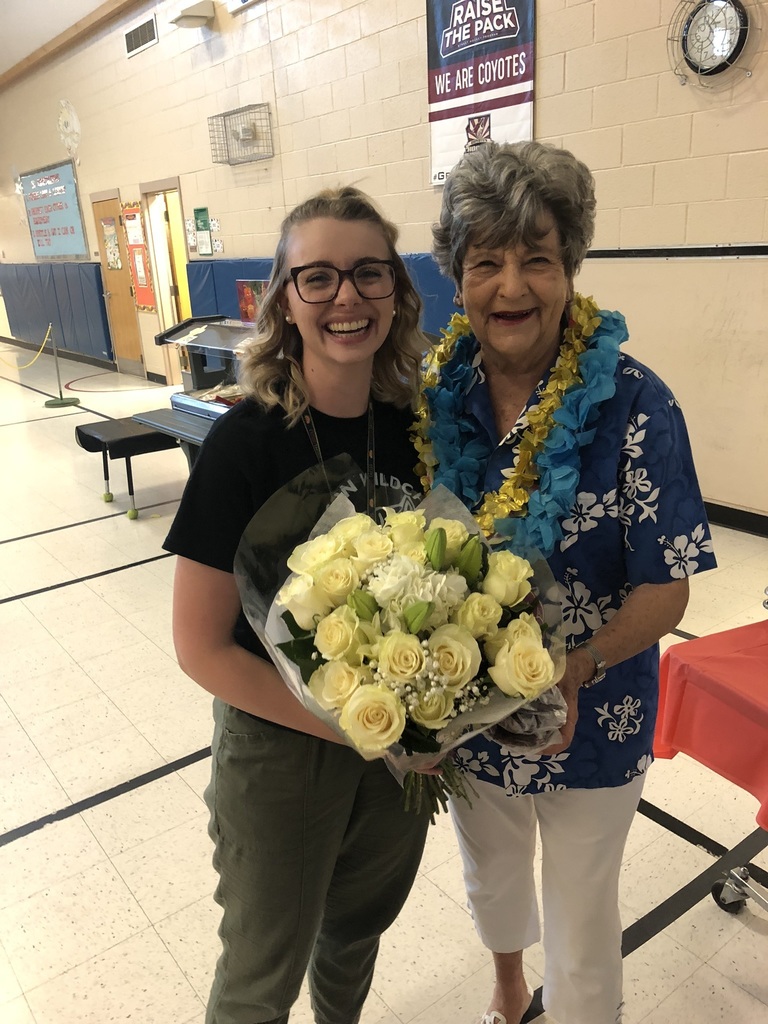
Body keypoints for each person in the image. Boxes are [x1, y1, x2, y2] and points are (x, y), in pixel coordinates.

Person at [414, 141, 717, 1024]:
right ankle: (508, 988)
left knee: (582, 919)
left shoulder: (636, 403)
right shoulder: (435, 397)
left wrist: (572, 665)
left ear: (571, 265)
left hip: (595, 715)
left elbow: (669, 589)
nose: (510, 287)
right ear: (455, 276)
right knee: (493, 871)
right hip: (470, 713)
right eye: (486, 262)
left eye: (536, 259)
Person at [164, 186, 431, 1024]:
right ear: (284, 300)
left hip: (395, 752)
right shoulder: (244, 441)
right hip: (284, 752)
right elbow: (201, 647)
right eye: (318, 278)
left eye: (368, 274)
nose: (346, 296)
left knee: (355, 934)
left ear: (397, 291)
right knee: (260, 972)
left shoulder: (413, 425)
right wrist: (356, 727)